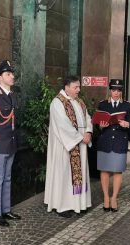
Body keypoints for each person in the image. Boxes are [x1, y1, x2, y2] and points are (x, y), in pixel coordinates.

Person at [44, 75, 92, 218]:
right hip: (65, 147)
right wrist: (79, 137)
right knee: (64, 175)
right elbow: (62, 125)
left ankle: (79, 204)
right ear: (67, 87)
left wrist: (88, 131)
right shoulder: (57, 102)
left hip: (81, 144)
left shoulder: (79, 101)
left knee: (80, 174)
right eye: (75, 87)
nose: (78, 90)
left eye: (79, 87)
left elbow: (87, 117)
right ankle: (62, 205)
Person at [0, 60, 21, 226]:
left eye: (12, 73)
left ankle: (6, 210)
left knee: (7, 178)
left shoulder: (12, 95)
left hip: (12, 142)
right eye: (8, 74)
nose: (12, 76)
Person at [96, 79, 130, 212]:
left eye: (118, 90)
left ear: (121, 92)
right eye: (113, 90)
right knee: (104, 170)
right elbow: (98, 124)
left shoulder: (127, 105)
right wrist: (101, 126)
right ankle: (106, 197)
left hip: (119, 141)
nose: (116, 93)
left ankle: (114, 198)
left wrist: (127, 124)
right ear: (110, 90)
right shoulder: (102, 104)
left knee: (117, 171)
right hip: (105, 141)